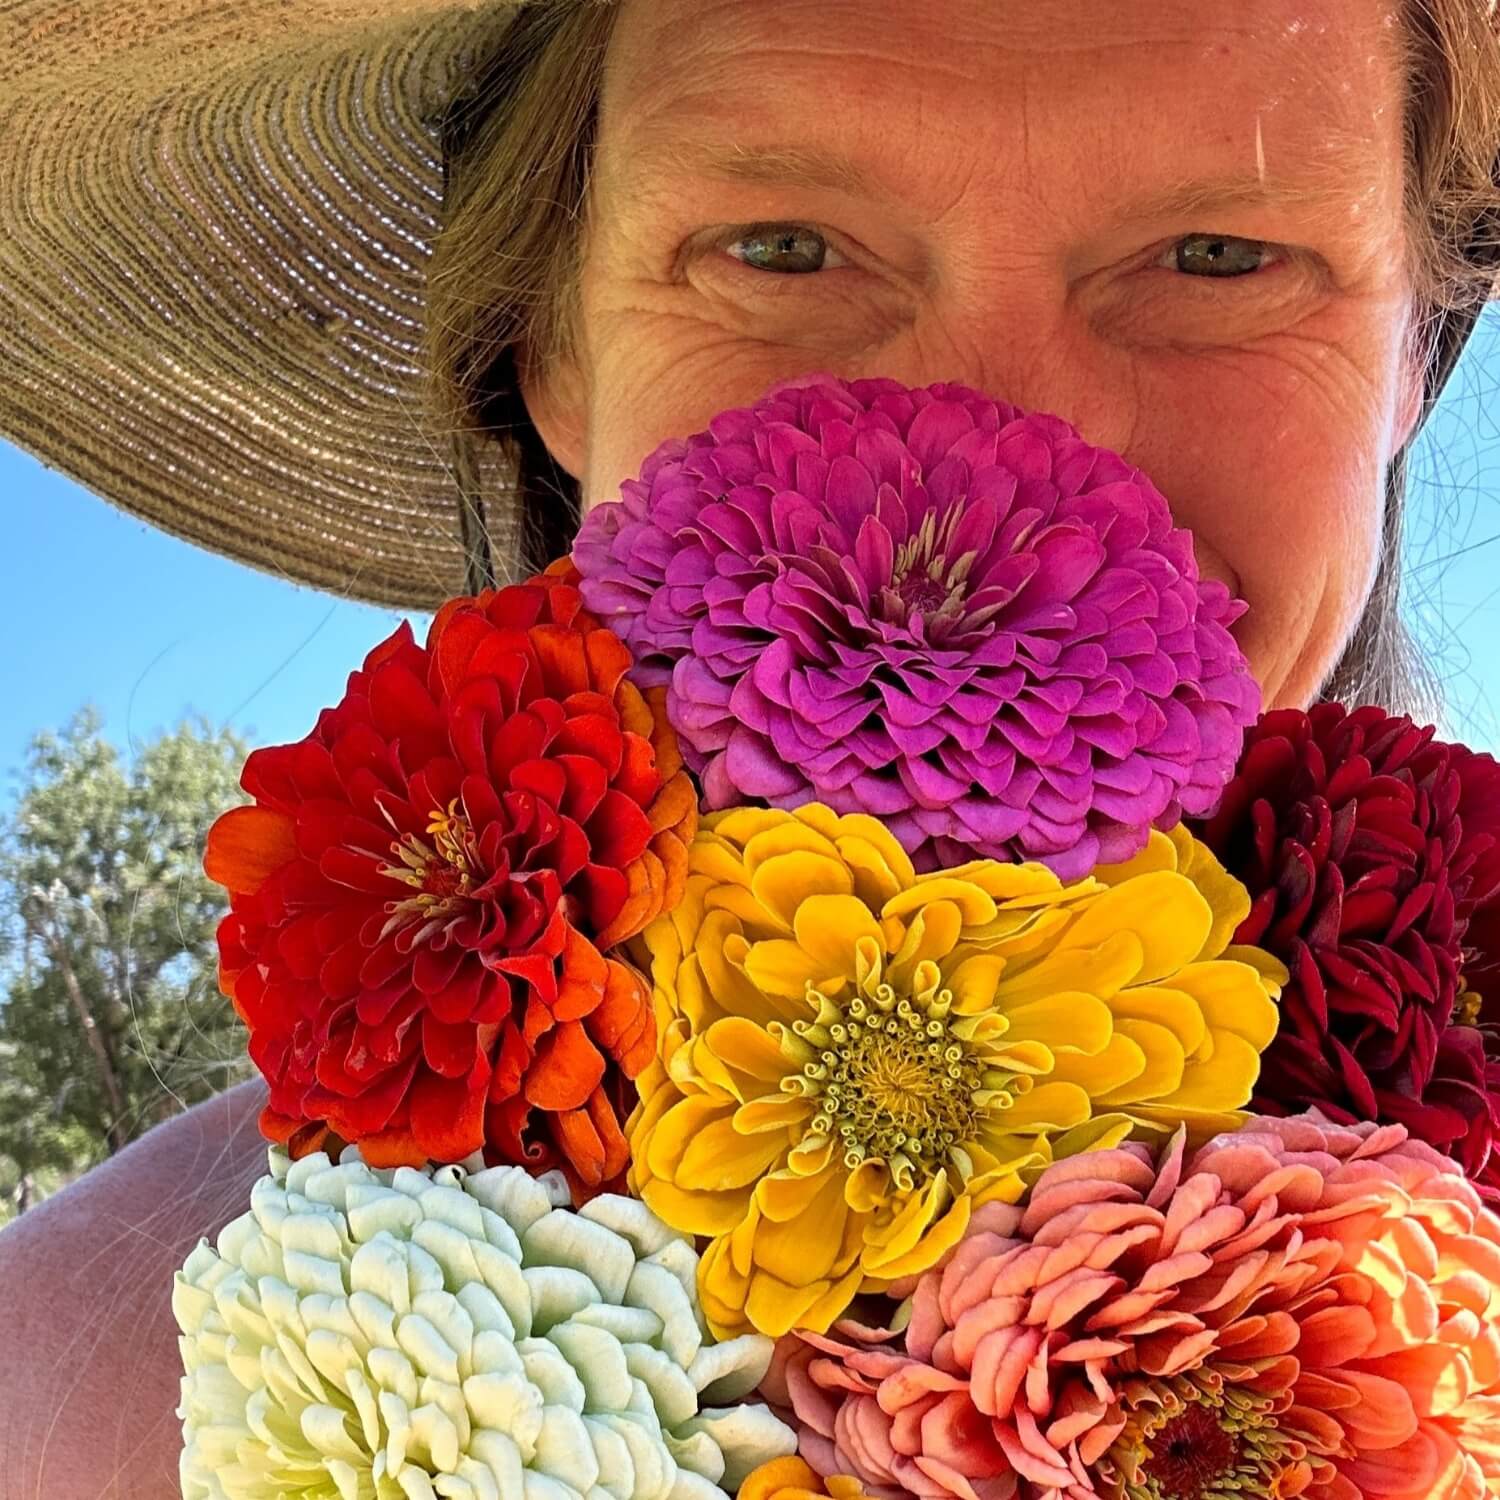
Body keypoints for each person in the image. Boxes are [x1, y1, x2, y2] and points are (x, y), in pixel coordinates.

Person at [0, 0, 1496, 1492]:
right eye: (783, 247)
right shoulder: (49, 1411)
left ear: (1410, 360)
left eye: (1220, 256)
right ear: (548, 348)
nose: (1014, 438)